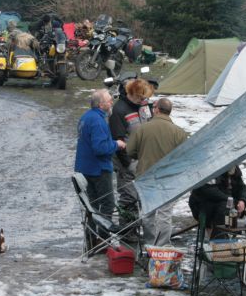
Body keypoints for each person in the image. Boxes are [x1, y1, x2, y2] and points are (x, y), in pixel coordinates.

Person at [126, 97, 189, 246]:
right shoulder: (179, 133)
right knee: (165, 214)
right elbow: (184, 157)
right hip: (168, 179)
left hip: (146, 177)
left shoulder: (142, 129)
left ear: (157, 110)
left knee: (148, 213)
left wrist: (142, 155)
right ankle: (162, 246)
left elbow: (130, 151)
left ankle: (149, 244)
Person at [74, 89, 126, 227]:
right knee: (107, 204)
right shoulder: (98, 121)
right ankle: (104, 236)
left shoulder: (86, 116)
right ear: (101, 104)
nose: (112, 102)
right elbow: (100, 148)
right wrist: (117, 144)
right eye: (109, 101)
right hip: (98, 170)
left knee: (92, 205)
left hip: (85, 168)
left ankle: (92, 235)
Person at [108, 78, 155, 225]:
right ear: (133, 93)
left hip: (143, 160)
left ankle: (137, 228)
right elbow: (118, 140)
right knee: (129, 198)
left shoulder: (143, 106)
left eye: (145, 98)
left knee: (142, 198)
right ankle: (127, 231)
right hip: (126, 162)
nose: (144, 100)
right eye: (141, 98)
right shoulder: (119, 110)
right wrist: (128, 164)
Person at [189, 166, 246, 236]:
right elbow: (208, 190)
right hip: (203, 204)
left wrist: (242, 200)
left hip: (228, 200)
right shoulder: (209, 167)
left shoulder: (234, 168)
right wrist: (231, 200)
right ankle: (218, 237)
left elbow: (242, 187)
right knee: (225, 206)